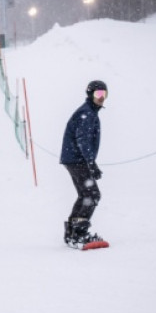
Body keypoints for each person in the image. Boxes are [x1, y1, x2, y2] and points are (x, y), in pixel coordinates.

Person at [59, 80, 109, 249]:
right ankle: (79, 235)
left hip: (74, 159)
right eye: (98, 94)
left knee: (85, 195)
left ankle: (72, 232)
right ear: (90, 94)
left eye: (104, 94)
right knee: (92, 195)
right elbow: (83, 140)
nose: (101, 98)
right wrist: (91, 163)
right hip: (76, 159)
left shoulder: (89, 112)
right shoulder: (86, 114)